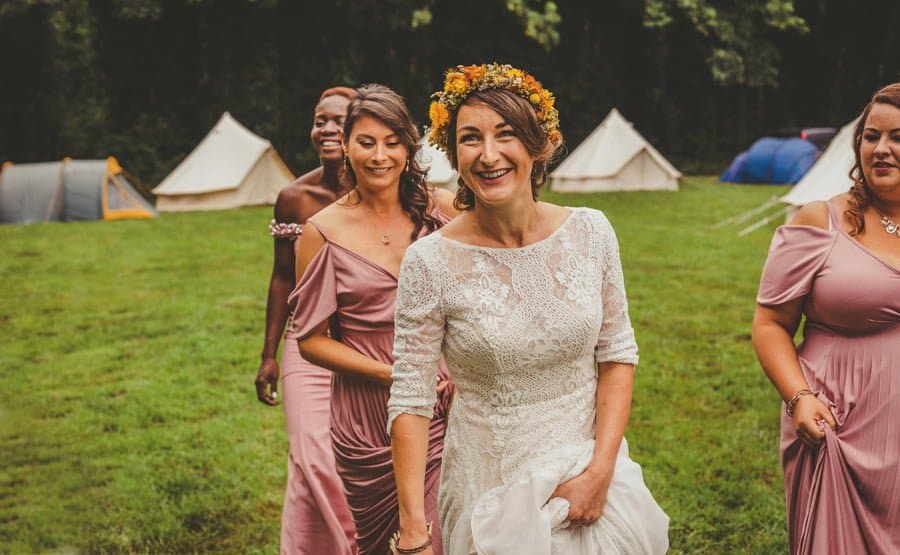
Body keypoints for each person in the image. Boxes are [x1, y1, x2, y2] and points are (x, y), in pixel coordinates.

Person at [388, 63, 669, 554]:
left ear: (540, 145)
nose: (489, 154)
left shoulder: (592, 231)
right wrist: (413, 527)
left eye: (507, 134)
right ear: (453, 152)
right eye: (470, 138)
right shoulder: (428, 262)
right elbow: (411, 397)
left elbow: (617, 353)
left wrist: (599, 473)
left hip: (588, 473)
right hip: (489, 489)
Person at [290, 83, 459, 554]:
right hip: (366, 417)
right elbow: (311, 340)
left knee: (437, 533)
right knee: (378, 544)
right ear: (346, 145)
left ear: (409, 146)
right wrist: (395, 374)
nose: (380, 156)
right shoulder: (321, 232)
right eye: (366, 142)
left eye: (392, 142)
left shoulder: (440, 210)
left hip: (444, 402)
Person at [753, 83, 900, 554]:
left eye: (898, 137)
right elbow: (770, 324)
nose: (881, 149)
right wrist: (799, 399)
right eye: (871, 136)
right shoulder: (819, 221)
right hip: (838, 420)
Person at [254, 86, 358, 554]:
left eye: (339, 120)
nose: (327, 129)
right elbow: (281, 278)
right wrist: (268, 356)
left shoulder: (384, 191)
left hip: (368, 343)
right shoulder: (294, 197)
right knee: (313, 457)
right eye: (320, 120)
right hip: (306, 343)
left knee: (363, 458)